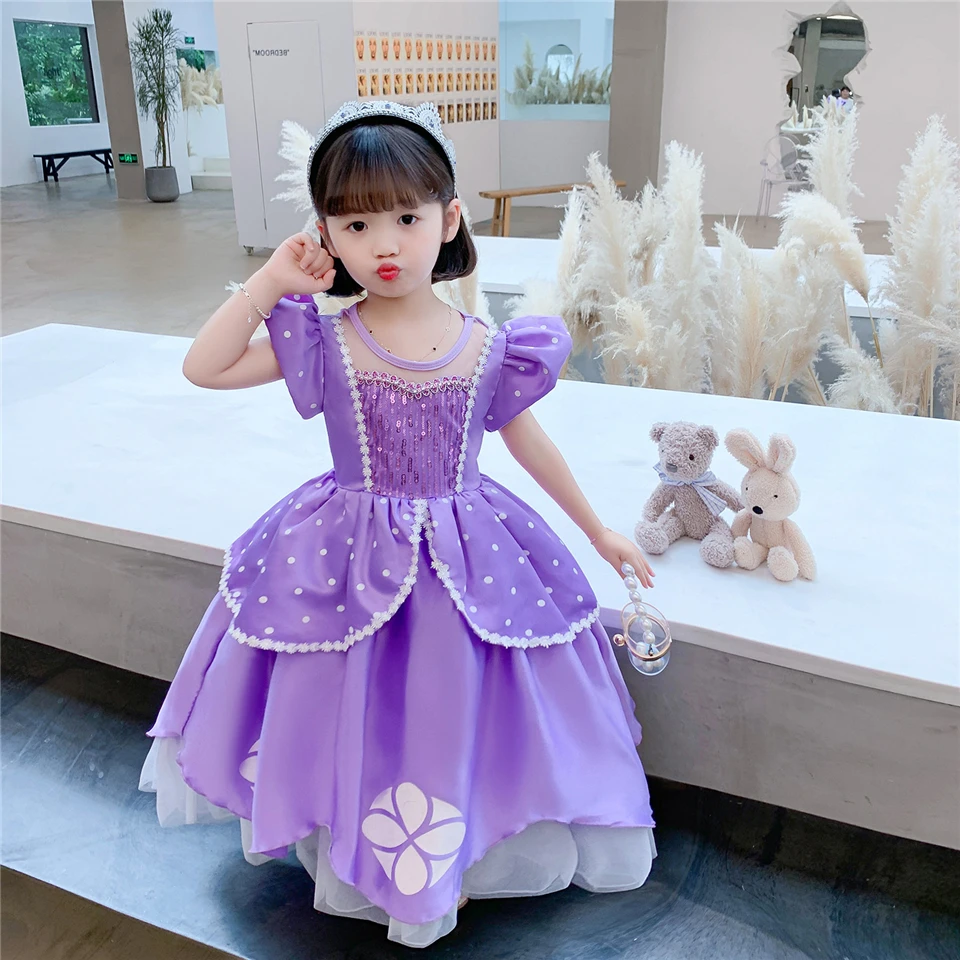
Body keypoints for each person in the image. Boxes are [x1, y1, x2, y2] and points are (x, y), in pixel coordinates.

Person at [139, 100, 657, 948]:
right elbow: (205, 367)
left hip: (468, 553)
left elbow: (528, 442)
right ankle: (357, 836)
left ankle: (449, 853)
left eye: (407, 219)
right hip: (343, 554)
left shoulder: (492, 346)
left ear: (448, 220)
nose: (385, 244)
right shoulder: (325, 340)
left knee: (449, 705)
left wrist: (599, 530)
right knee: (350, 703)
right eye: (355, 224)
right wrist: (270, 283)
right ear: (325, 236)